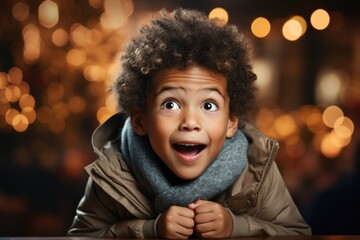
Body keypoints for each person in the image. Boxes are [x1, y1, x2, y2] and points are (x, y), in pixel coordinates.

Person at [68, 8, 311, 238]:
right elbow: (83, 235)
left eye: (208, 105)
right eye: (170, 104)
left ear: (231, 123)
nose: (190, 122)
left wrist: (236, 226)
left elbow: (297, 233)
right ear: (141, 121)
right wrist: (150, 230)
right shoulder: (113, 172)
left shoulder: (257, 171)